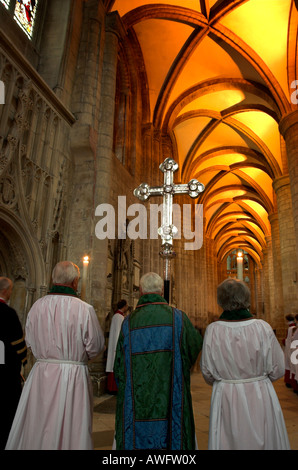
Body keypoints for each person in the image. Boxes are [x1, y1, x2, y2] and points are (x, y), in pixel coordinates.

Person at [5, 261, 105, 450]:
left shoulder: (37, 306)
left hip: (42, 373)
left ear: (53, 279)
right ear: (76, 282)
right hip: (73, 376)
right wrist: (76, 357)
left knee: (39, 423)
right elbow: (96, 346)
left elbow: (30, 343)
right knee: (72, 427)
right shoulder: (85, 309)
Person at [113, 272, 203, 450]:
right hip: (171, 397)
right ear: (162, 291)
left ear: (140, 292)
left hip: (137, 402)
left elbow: (119, 366)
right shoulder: (178, 318)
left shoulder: (128, 322)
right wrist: (178, 367)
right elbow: (194, 346)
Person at [200, 278, 290, 450]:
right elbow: (278, 368)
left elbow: (207, 372)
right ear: (246, 298)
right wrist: (257, 380)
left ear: (221, 300)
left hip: (225, 395)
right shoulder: (262, 327)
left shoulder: (213, 330)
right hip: (260, 393)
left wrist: (226, 380)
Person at [0, 277, 27, 449]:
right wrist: (22, 363)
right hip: (5, 375)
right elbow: (19, 346)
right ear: (7, 291)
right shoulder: (8, 313)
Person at [106, 299, 128, 394]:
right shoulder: (119, 317)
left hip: (114, 344)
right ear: (124, 306)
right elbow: (120, 332)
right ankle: (114, 388)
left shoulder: (116, 316)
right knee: (115, 366)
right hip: (117, 345)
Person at [284, 314, 297, 388]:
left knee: (291, 365)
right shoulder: (293, 327)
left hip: (292, 349)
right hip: (292, 348)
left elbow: (290, 339)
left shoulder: (291, 328)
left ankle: (290, 382)